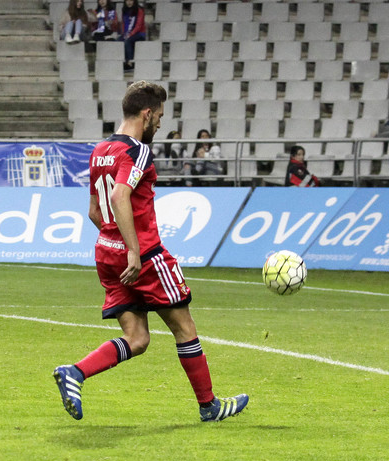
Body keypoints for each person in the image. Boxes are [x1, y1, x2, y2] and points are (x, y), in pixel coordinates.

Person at [53, 81, 248, 422]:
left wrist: (115, 243)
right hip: (143, 256)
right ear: (146, 114)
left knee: (138, 338)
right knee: (185, 329)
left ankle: (75, 372)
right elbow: (119, 196)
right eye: (158, 116)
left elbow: (94, 212)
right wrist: (132, 250)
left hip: (106, 254)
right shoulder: (137, 150)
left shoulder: (100, 150)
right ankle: (209, 406)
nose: (159, 123)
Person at [120, 0, 146, 71]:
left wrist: (130, 34)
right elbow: (123, 23)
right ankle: (120, 63)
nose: (129, 2)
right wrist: (124, 34)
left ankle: (130, 63)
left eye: (131, 0)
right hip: (127, 33)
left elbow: (139, 25)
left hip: (139, 34)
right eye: (127, 0)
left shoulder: (139, 10)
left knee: (127, 41)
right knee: (118, 41)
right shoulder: (124, 10)